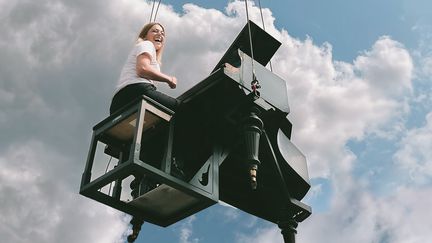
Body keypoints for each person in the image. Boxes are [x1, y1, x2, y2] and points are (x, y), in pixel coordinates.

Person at [110, 22, 180, 114]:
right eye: (155, 31)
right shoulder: (147, 44)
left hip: (118, 102)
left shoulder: (149, 52)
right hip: (137, 91)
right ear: (145, 36)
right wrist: (169, 79)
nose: (160, 34)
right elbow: (143, 68)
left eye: (162, 33)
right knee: (181, 107)